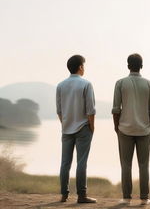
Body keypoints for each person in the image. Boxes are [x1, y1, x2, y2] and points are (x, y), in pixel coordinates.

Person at [112, 53, 150, 206]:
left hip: (124, 129)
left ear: (128, 66)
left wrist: (117, 128)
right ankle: (144, 198)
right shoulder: (149, 84)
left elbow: (116, 110)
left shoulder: (120, 83)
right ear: (141, 66)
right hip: (145, 130)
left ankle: (126, 197)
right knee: (144, 164)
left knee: (126, 164)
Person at [56, 55, 96, 204]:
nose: (84, 68)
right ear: (80, 67)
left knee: (65, 163)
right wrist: (92, 127)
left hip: (66, 129)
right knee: (81, 162)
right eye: (83, 65)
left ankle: (63, 195)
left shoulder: (60, 85)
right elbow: (91, 110)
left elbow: (59, 110)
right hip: (83, 128)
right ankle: (81, 195)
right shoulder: (86, 84)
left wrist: (65, 124)